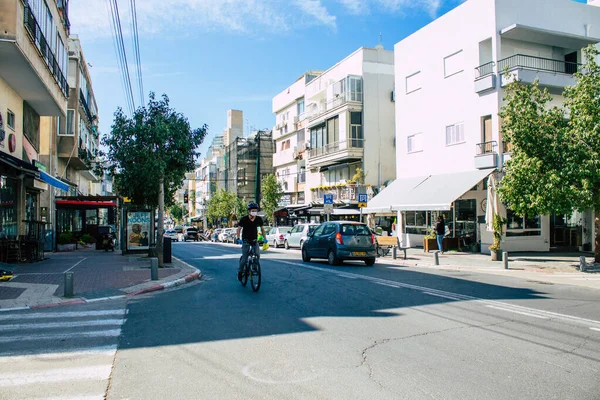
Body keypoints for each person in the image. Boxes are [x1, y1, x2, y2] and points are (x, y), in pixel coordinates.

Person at [236, 202, 266, 281]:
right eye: (253, 210)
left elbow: (262, 229)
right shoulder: (244, 219)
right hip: (246, 240)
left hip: (254, 240)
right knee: (245, 258)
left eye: (255, 210)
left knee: (257, 254)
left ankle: (255, 267)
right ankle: (240, 271)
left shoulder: (258, 219)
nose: (254, 212)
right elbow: (239, 229)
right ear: (249, 211)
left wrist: (265, 239)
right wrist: (238, 238)